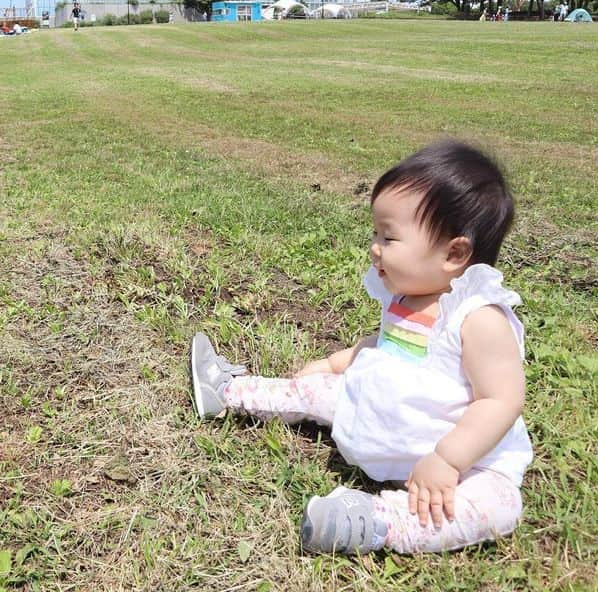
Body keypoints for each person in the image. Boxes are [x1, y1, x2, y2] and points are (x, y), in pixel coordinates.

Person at [191, 140, 532, 555]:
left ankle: (376, 522)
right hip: (385, 413)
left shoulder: (478, 318)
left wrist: (447, 459)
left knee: (498, 506)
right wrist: (332, 362)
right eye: (376, 232)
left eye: (389, 237)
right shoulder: (407, 294)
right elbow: (386, 346)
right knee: (320, 389)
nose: (375, 247)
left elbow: (500, 400)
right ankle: (228, 391)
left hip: (457, 449)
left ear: (454, 252)